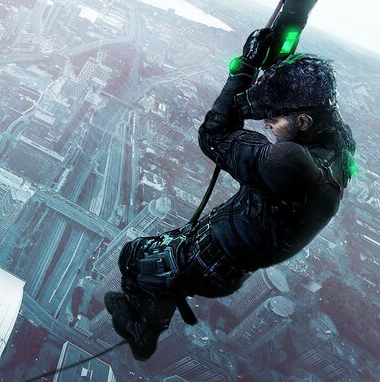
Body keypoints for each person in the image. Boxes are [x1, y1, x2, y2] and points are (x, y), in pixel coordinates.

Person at [104, 28, 356, 361]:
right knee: (167, 277)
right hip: (227, 258)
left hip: (210, 260)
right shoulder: (337, 146)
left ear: (304, 120)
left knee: (132, 257)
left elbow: (214, 134)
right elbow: (295, 102)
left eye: (274, 119)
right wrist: (274, 76)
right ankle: (151, 325)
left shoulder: (287, 166)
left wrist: (244, 70)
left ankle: (141, 324)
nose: (267, 123)